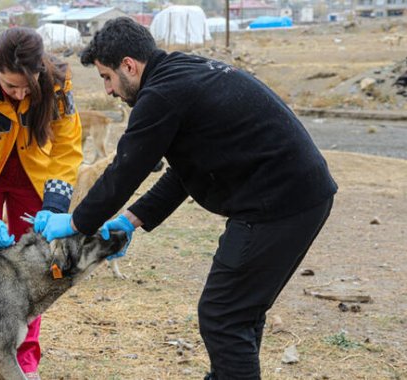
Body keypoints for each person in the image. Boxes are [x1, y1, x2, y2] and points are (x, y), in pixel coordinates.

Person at [35, 17, 337, 379]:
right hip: (297, 195)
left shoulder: (160, 95)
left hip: (277, 204)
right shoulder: (179, 75)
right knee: (240, 311)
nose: (108, 91)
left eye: (107, 77)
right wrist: (131, 221)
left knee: (222, 314)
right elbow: (185, 172)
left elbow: (125, 170)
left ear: (129, 65)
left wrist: (74, 223)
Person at [0, 27, 83, 380]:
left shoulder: (58, 83)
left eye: (28, 86)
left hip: (34, 174)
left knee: (33, 268)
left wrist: (54, 205)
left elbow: (67, 146)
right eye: (10, 86)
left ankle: (23, 359)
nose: (21, 94)